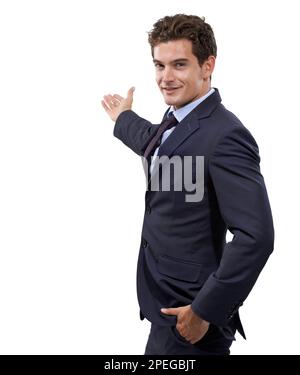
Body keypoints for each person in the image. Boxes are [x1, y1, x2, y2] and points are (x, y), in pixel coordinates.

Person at [101, 14, 274, 355]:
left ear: (207, 65)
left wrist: (204, 311)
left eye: (179, 65)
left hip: (192, 318)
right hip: (162, 303)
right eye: (159, 66)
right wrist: (123, 118)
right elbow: (156, 144)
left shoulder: (226, 136)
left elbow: (256, 237)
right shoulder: (175, 121)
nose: (166, 78)